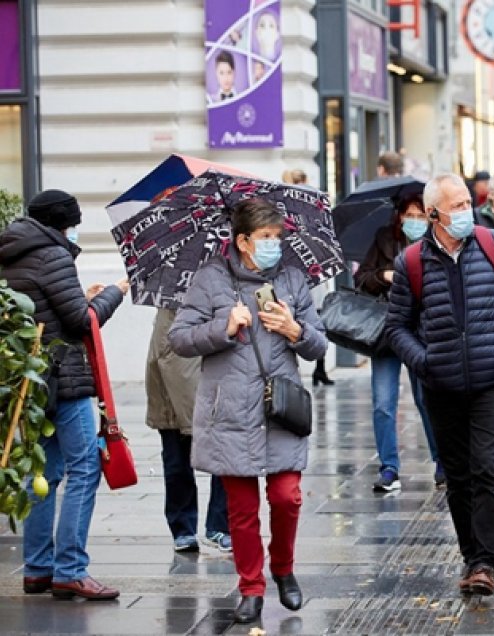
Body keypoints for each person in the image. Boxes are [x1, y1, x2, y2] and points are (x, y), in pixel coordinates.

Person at [169, 198, 327, 624]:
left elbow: (319, 344)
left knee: (286, 496)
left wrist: (295, 329)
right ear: (242, 241)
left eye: (279, 237)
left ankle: (284, 568)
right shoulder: (210, 280)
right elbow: (179, 338)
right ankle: (251, 587)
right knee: (240, 510)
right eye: (265, 238)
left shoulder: (293, 280)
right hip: (230, 412)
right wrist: (224, 327)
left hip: (281, 409)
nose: (275, 245)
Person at [385, 173, 494, 597]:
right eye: (456, 206)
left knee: (486, 467)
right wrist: (424, 361)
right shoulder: (412, 262)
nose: (465, 212)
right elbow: (396, 327)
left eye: (468, 203)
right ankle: (471, 554)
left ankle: (485, 561)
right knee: (457, 475)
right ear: (433, 214)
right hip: (442, 383)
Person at [0, 189, 129, 600]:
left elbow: (44, 310)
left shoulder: (12, 252)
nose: (75, 228)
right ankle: (70, 569)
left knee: (45, 474)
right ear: (62, 221)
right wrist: (113, 293)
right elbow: (80, 321)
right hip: (63, 378)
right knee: (85, 468)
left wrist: (83, 299)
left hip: (32, 381)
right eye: (73, 221)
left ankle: (38, 568)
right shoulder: (53, 255)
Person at [354, 193, 444, 490]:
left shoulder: (438, 242)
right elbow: (362, 278)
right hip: (386, 331)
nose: (414, 222)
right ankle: (389, 467)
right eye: (409, 215)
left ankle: (443, 464)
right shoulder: (384, 239)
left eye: (420, 216)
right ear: (399, 217)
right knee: (383, 403)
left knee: (427, 400)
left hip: (423, 333)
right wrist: (385, 275)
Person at [145, 308, 231, 553]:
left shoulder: (226, 286)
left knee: (224, 448)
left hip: (216, 373)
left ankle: (219, 525)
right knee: (177, 456)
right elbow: (162, 353)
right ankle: (186, 528)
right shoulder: (170, 301)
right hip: (175, 380)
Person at [281, 168, 334, 386]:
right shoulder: (310, 207)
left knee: (306, 325)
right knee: (315, 323)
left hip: (305, 280)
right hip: (309, 280)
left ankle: (319, 370)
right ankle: (319, 370)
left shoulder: (285, 206)